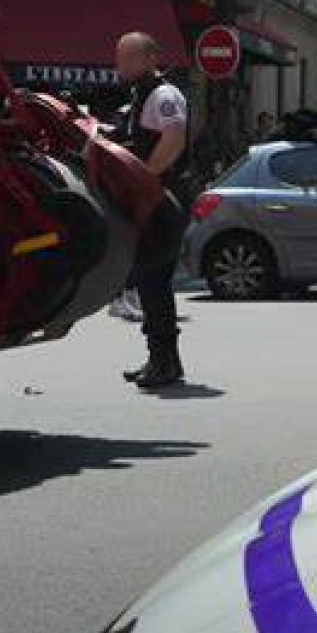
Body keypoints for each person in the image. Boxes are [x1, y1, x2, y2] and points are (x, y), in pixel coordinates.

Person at [115, 32, 190, 389]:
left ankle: (164, 363)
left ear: (149, 59)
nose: (121, 65)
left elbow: (173, 139)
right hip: (152, 198)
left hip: (162, 200)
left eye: (129, 58)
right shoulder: (140, 94)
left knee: (153, 281)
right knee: (152, 285)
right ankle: (162, 360)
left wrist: (144, 177)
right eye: (119, 58)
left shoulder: (164, 95)